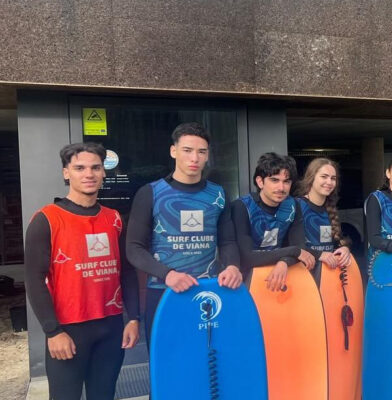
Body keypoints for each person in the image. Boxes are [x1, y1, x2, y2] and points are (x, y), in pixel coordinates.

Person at [25, 143, 140, 400]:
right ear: (66, 173)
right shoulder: (46, 219)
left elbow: (127, 271)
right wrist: (52, 331)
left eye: (95, 168)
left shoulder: (114, 218)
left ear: (103, 173)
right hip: (68, 330)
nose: (89, 174)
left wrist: (133, 318)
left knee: (104, 395)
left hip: (111, 328)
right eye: (79, 168)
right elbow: (34, 279)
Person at [125, 122, 242, 343]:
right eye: (187, 150)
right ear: (173, 151)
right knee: (166, 360)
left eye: (201, 152)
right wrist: (168, 274)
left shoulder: (218, 194)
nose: (194, 158)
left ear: (207, 156)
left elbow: (227, 241)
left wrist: (233, 266)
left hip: (208, 290)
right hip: (164, 291)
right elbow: (133, 248)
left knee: (209, 358)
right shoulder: (151, 193)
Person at [230, 152, 317, 291]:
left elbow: (300, 247)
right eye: (274, 180)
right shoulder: (242, 206)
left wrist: (284, 261)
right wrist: (293, 251)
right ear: (260, 182)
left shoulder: (293, 205)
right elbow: (246, 258)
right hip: (246, 283)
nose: (281, 188)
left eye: (286, 182)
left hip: (281, 280)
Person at [295, 158, 353, 275]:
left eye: (333, 178)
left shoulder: (330, 208)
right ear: (311, 177)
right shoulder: (297, 206)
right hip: (303, 275)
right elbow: (292, 246)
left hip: (328, 275)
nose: (329, 182)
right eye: (324, 177)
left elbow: (339, 241)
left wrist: (345, 249)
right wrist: (319, 254)